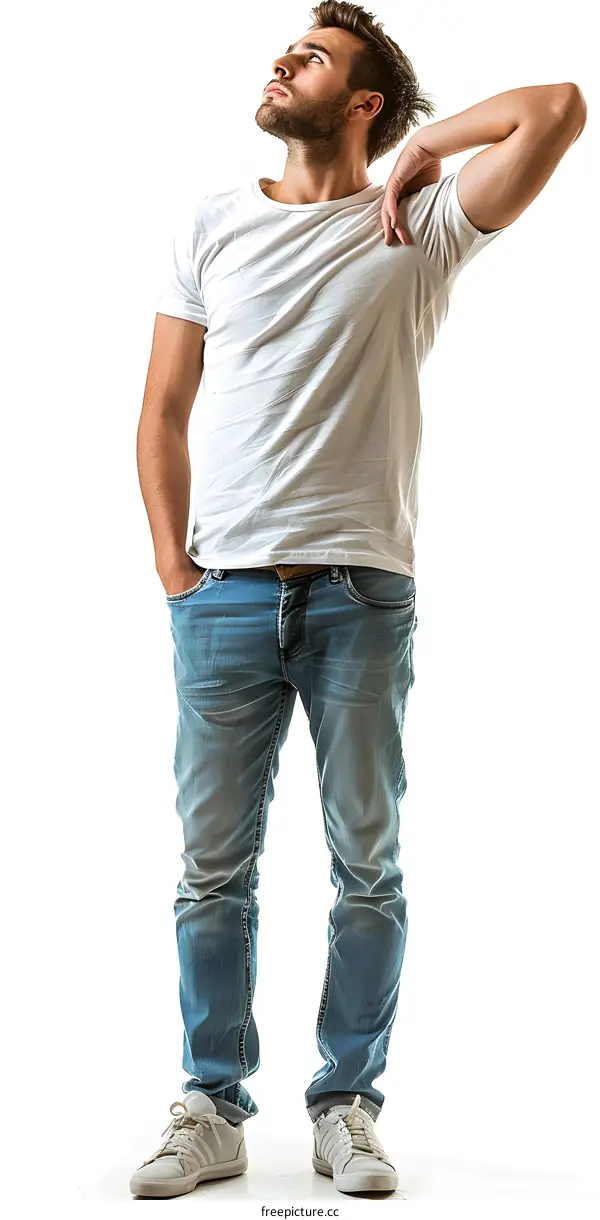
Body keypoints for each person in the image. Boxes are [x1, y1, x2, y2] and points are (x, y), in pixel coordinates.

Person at [132, 0, 586, 1200]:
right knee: (210, 871)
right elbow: (163, 409)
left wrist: (428, 148)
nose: (283, 61)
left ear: (365, 102)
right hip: (222, 596)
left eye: (314, 56)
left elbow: (557, 108)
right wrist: (177, 572)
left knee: (367, 866)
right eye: (287, 49)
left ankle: (347, 1103)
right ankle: (211, 1104)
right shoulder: (211, 222)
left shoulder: (419, 222)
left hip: (361, 596)